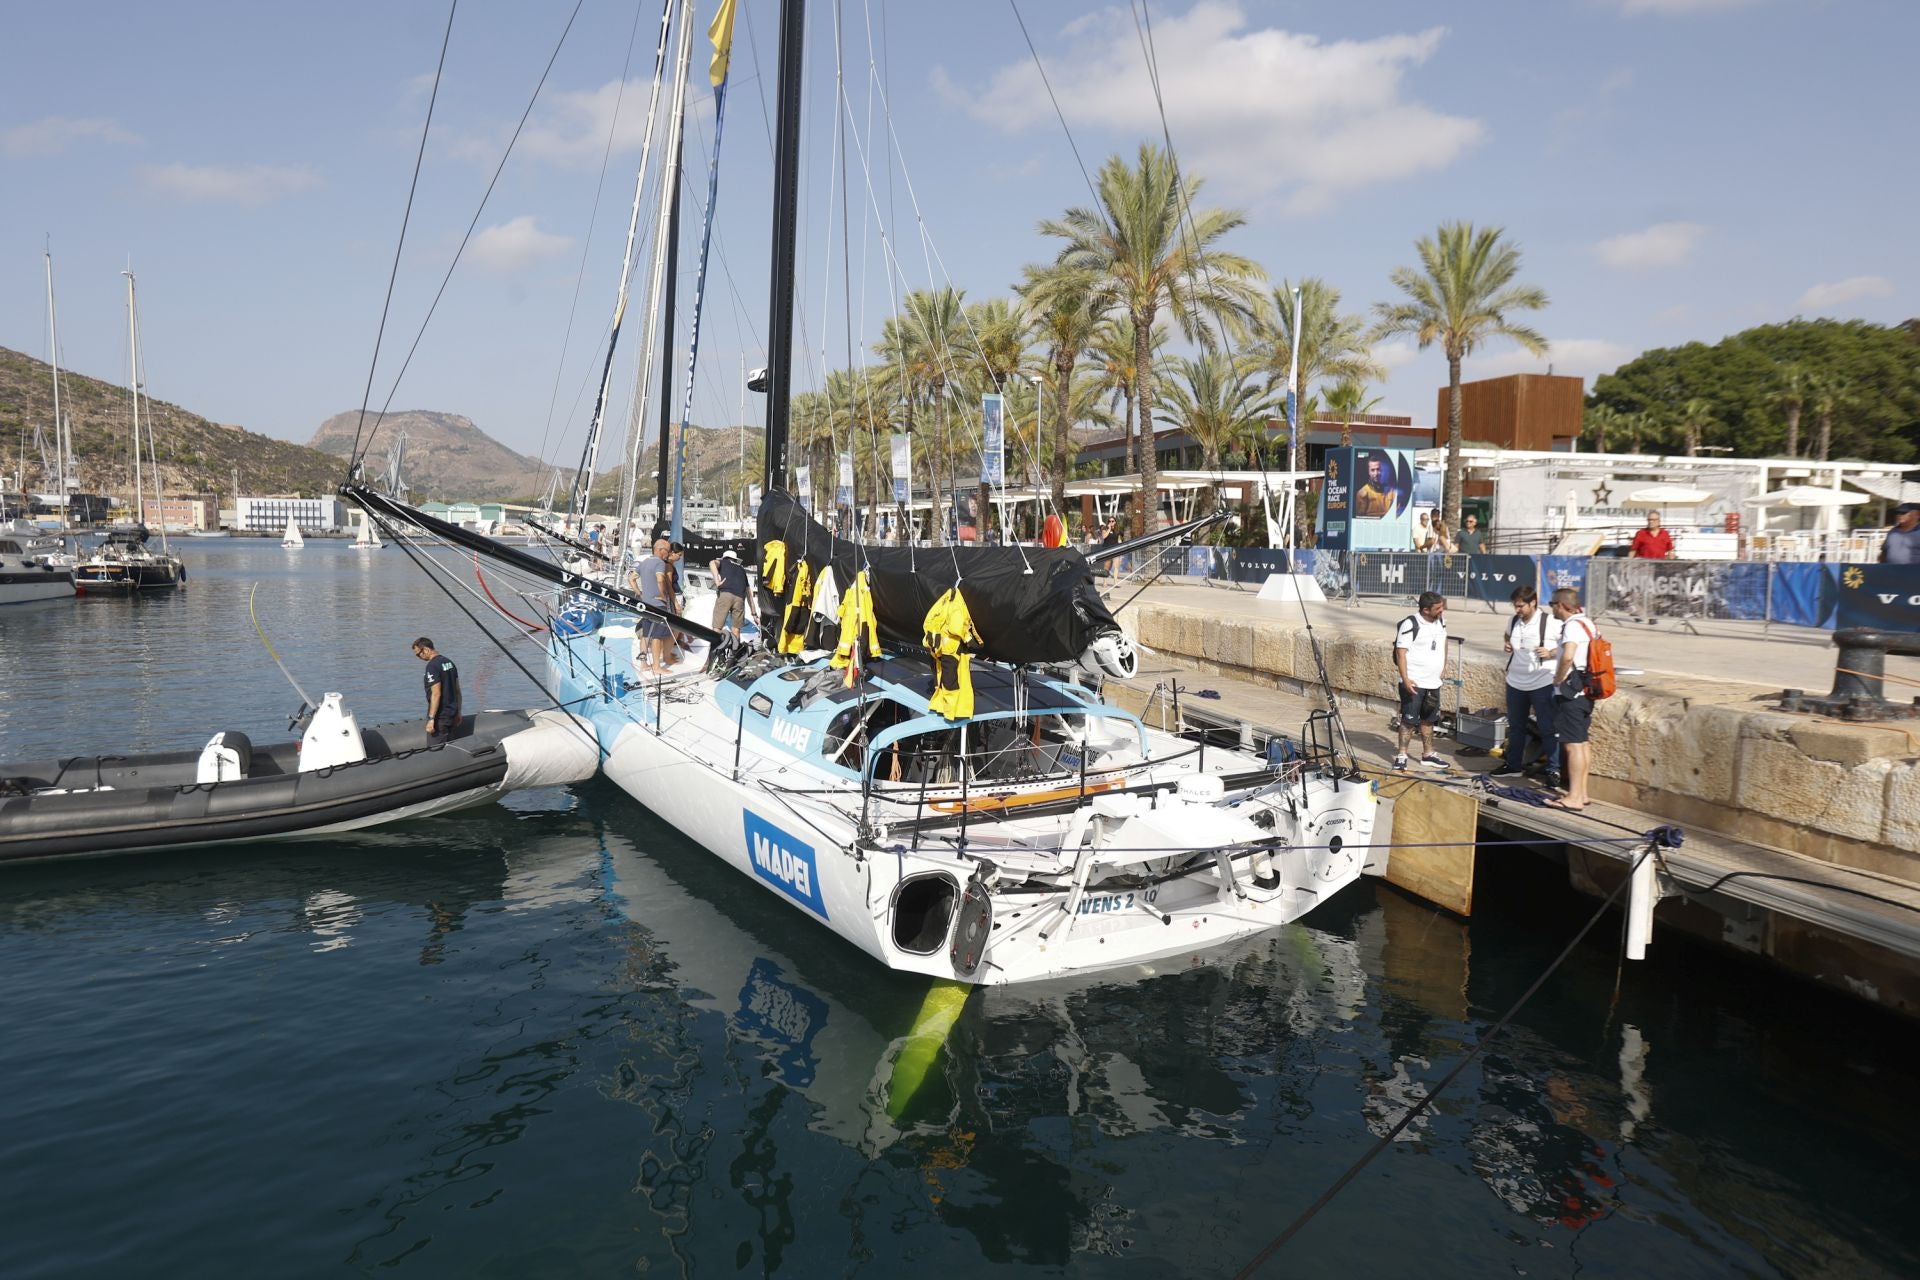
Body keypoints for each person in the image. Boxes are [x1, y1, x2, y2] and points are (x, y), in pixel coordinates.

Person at [1493, 586, 1561, 786]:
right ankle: (1513, 765)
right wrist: (1508, 644)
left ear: (1533, 603)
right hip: (1515, 682)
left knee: (1548, 728)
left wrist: (1551, 652)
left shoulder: (1550, 622)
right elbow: (1507, 635)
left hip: (1542, 682)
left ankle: (1554, 770)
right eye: (1515, 606)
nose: (1517, 610)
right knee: (1516, 727)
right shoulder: (1514, 620)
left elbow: (1569, 645)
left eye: (1521, 606)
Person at [1548, 588, 1600, 811]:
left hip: (1572, 692)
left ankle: (1574, 798)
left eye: (1552, 604)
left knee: (1572, 745)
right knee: (1582, 742)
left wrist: (1558, 679)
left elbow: (1568, 655)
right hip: (1587, 690)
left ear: (1560, 605)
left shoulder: (1571, 626)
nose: (1551, 608)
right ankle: (1582, 793)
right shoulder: (1589, 624)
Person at [1392, 591, 1449, 771]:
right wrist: (1406, 679)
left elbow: (1444, 641)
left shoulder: (1440, 621)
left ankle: (1428, 754)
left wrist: (1443, 666)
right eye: (1438, 608)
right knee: (1408, 721)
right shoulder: (1410, 624)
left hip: (1433, 682)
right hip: (1414, 683)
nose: (1442, 611)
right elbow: (1400, 652)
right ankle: (1402, 755)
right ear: (1425, 610)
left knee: (1429, 720)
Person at [635, 538, 674, 674]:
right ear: (661, 550)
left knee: (646, 635)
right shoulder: (659, 563)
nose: (668, 554)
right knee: (657, 636)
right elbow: (660, 579)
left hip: (645, 604)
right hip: (658, 605)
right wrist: (663, 596)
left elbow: (631, 578)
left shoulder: (644, 562)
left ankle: (643, 664)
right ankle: (657, 667)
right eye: (667, 551)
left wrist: (639, 593)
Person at [412, 637, 461, 744]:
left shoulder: (432, 666)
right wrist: (458, 712)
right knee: (451, 748)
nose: (419, 657)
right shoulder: (449, 662)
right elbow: (457, 691)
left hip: (440, 717)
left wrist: (431, 719)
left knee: (436, 750)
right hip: (451, 714)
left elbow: (436, 694)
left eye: (418, 654)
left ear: (426, 650)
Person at [711, 547, 749, 637]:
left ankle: (716, 645)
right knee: (736, 629)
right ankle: (736, 646)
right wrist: (754, 613)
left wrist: (717, 581)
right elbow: (749, 592)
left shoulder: (722, 562)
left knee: (717, 627)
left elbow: (712, 563)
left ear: (724, 558)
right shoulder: (742, 569)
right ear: (735, 560)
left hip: (726, 594)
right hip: (740, 598)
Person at [1355, 454, 1398, 520]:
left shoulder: (1393, 492)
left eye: (1378, 469)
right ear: (1368, 472)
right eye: (1372, 470)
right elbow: (1359, 519)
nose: (1376, 473)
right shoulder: (1362, 493)